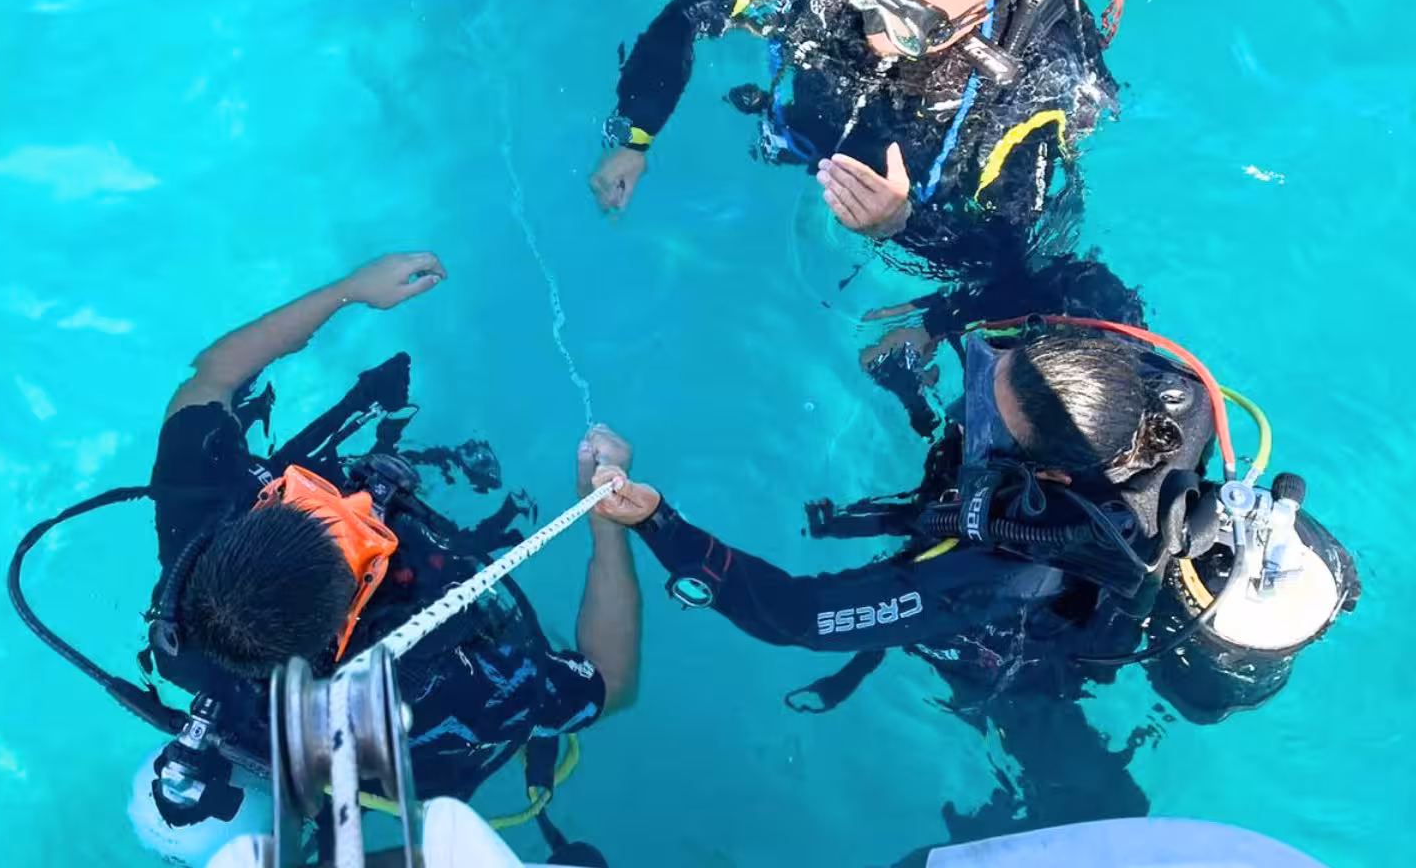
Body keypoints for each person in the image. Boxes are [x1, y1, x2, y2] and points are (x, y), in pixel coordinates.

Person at [582, 319, 1359, 853]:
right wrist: (936, 314)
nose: (982, 391)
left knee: (1092, 803)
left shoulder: (1001, 570)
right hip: (1116, 586)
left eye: (995, 405)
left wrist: (659, 524)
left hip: (1020, 659)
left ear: (1046, 472)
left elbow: (795, 617)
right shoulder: (1169, 396)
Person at [11, 252, 640, 867]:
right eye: (358, 532)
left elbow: (211, 377)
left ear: (243, 521)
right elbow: (612, 687)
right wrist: (607, 521)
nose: (363, 496)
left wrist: (350, 289)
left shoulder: (199, 507)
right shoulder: (451, 682)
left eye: (304, 502)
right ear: (352, 611)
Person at [587, 0, 1125, 303]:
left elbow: (1009, 259)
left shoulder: (1028, 86)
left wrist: (900, 226)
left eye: (907, 27)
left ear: (964, 23)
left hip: (905, 194)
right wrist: (634, 135)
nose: (874, 31)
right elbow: (690, 4)